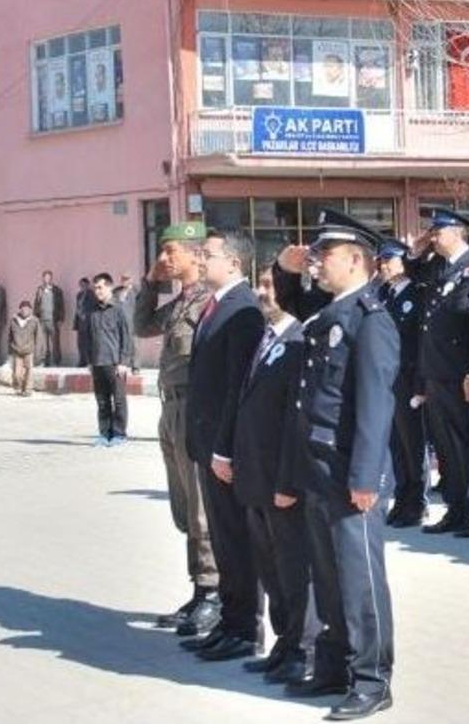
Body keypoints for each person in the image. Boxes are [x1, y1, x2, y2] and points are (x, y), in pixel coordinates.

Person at [278, 211, 399, 720]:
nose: (316, 263)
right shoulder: (331, 312)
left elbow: (375, 405)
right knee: (326, 576)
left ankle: (372, 680)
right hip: (319, 468)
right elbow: (292, 297)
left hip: (353, 474)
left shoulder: (371, 319)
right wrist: (288, 268)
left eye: (325, 254)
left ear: (355, 260)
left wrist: (366, 478)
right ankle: (332, 666)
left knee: (358, 580)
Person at [182, 229, 265, 662]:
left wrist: (224, 448)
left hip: (223, 450)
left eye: (207, 254)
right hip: (206, 444)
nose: (200, 259)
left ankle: (246, 628)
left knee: (236, 539)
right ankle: (231, 622)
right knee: (223, 538)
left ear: (233, 263)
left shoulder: (243, 310)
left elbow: (237, 388)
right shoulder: (216, 305)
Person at [135, 222, 220, 637]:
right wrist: (150, 282)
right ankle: (197, 588)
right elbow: (142, 325)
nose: (164, 259)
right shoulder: (180, 302)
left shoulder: (209, 302)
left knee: (203, 507)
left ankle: (213, 593)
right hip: (169, 411)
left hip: (194, 409)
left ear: (194, 254)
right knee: (184, 506)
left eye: (170, 252)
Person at [231, 265, 312, 686]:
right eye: (259, 285)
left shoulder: (299, 341)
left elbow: (294, 425)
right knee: (270, 568)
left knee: (294, 569)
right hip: (256, 479)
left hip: (282, 483)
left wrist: (287, 482)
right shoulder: (265, 339)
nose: (263, 293)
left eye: (270, 286)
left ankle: (302, 648)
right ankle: (283, 642)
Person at [408, 210, 469, 538]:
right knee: (444, 445)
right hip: (436, 370)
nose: (434, 236)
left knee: (465, 443)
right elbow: (412, 271)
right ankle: (455, 509)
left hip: (458, 372)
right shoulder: (437, 266)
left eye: (438, 232)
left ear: (457, 232)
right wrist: (421, 247)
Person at [376, 240, 428, 529]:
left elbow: (420, 344)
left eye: (389, 260)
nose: (383, 266)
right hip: (387, 379)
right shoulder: (384, 293)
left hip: (408, 379)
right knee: (396, 444)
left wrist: (420, 385)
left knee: (413, 444)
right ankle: (402, 498)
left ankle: (417, 502)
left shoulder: (416, 294)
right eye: (381, 261)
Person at [81, 273, 133, 447]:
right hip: (97, 362)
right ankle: (104, 433)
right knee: (102, 401)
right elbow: (87, 336)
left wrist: (124, 362)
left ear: (109, 287)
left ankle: (119, 434)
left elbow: (126, 336)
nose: (97, 291)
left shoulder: (119, 309)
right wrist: (89, 360)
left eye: (100, 287)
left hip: (115, 362)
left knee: (118, 400)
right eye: (95, 288)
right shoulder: (91, 310)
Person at [33, 270, 65, 366]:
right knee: (43, 343)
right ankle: (45, 362)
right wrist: (36, 317)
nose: (47, 279)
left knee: (55, 342)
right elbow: (36, 304)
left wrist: (61, 319)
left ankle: (57, 362)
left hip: (53, 320)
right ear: (43, 278)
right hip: (42, 320)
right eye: (45, 277)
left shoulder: (57, 290)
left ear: (51, 278)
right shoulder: (40, 290)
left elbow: (61, 306)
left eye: (48, 277)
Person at [8, 301, 40, 396]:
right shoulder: (14, 320)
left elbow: (39, 337)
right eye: (22, 308)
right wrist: (9, 349)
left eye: (26, 308)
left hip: (29, 350)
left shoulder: (34, 321)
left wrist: (38, 351)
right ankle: (21, 387)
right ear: (20, 309)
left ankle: (28, 389)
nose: (24, 310)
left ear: (30, 310)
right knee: (17, 374)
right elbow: (10, 336)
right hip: (16, 350)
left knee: (29, 370)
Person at [114, 273, 139, 373]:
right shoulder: (117, 291)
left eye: (127, 279)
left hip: (132, 320)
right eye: (123, 279)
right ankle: (122, 363)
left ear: (131, 280)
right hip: (119, 321)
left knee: (134, 344)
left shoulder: (136, 291)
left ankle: (135, 366)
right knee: (120, 342)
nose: (124, 281)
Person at [74, 277, 93, 367]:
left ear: (87, 285)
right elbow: (77, 307)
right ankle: (82, 361)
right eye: (80, 285)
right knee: (80, 343)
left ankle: (89, 361)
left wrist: (86, 315)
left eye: (84, 285)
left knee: (88, 343)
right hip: (80, 322)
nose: (82, 287)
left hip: (88, 322)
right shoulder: (79, 295)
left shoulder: (92, 294)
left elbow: (93, 308)